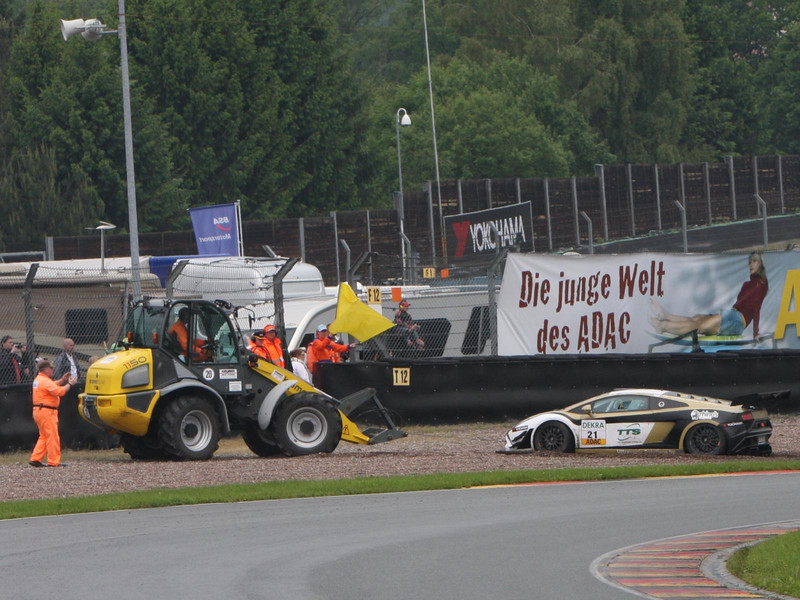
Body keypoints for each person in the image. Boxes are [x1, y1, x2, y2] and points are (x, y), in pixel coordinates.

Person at [650, 252, 769, 339]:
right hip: (732, 316)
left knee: (700, 325)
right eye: (750, 262)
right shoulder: (747, 284)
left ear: (760, 264)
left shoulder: (761, 284)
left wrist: (755, 333)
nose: (751, 265)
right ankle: (667, 316)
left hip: (737, 321)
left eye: (754, 261)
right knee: (698, 317)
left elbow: (756, 308)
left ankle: (664, 326)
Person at [29, 360, 77, 467]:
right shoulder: (44, 381)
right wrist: (70, 384)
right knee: (52, 436)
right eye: (51, 368)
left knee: (44, 436)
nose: (53, 370)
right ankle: (53, 461)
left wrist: (62, 380)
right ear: (46, 369)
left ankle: (36, 458)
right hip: (46, 412)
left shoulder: (39, 379)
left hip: (39, 411)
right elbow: (59, 392)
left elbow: (52, 385)